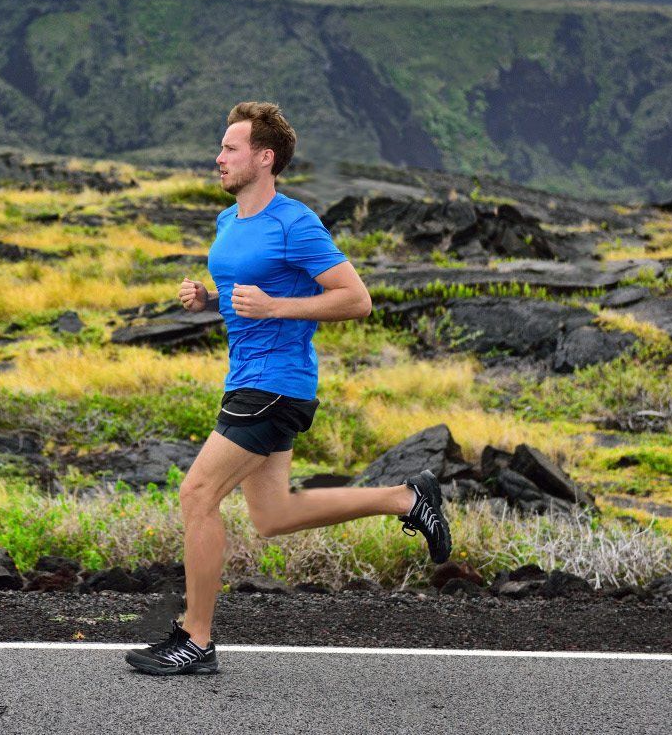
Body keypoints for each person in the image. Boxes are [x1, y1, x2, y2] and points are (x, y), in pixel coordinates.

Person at [126, 101, 452, 676]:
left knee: (197, 495)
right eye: (221, 147)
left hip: (276, 384)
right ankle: (406, 498)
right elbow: (246, 292)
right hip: (248, 379)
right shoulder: (229, 221)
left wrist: (277, 307)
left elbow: (356, 299)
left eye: (230, 148)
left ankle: (195, 640)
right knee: (273, 515)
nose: (219, 157)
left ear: (264, 157)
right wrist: (208, 299)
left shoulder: (295, 223)